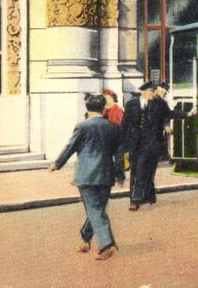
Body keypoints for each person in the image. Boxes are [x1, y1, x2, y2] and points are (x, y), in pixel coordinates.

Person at [49, 94, 124, 261]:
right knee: (96, 209)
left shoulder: (82, 126)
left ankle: (107, 244)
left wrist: (57, 164)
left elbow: (70, 147)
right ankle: (85, 239)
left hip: (87, 175)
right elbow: (119, 154)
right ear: (104, 110)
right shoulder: (114, 128)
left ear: (88, 109)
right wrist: (119, 174)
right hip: (106, 174)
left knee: (95, 210)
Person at [123, 81, 172, 211]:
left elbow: (169, 114)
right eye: (152, 91)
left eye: (154, 91)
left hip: (153, 144)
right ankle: (134, 200)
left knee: (149, 171)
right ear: (144, 92)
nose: (154, 94)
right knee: (137, 172)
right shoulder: (131, 104)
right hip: (136, 145)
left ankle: (148, 196)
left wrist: (186, 114)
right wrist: (125, 147)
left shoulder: (159, 103)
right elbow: (125, 125)